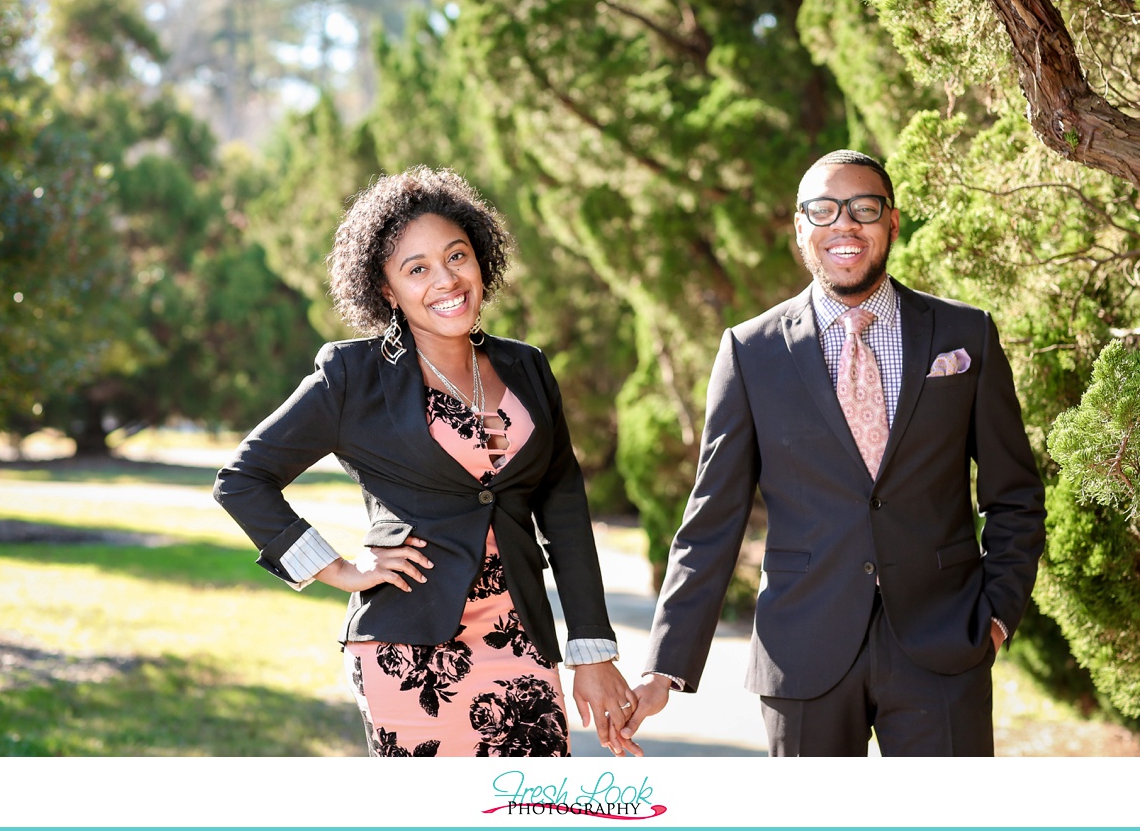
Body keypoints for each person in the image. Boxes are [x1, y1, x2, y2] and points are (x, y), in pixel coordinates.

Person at [622, 150, 1046, 756]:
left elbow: (1015, 495)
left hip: (945, 645)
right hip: (803, 653)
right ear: (800, 228)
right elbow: (712, 519)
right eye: (823, 210)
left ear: (892, 223)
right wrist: (662, 667)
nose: (843, 224)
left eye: (863, 208)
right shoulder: (750, 352)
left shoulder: (964, 334)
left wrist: (997, 617)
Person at [214, 166, 640, 757]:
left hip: (522, 644)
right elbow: (242, 479)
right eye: (417, 269)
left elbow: (564, 509)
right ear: (386, 288)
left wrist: (593, 648)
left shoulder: (528, 369)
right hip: (410, 658)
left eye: (457, 256)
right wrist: (336, 569)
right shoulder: (351, 377)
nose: (446, 280)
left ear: (481, 260)